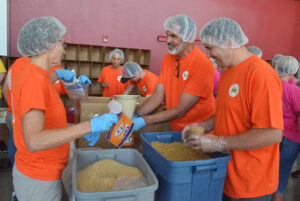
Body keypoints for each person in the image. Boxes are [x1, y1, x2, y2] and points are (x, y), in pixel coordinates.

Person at [11, 17, 118, 201]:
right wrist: (88, 126)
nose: (64, 50)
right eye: (62, 43)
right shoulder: (34, 80)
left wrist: (77, 132)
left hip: (44, 172)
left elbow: (49, 125)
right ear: (47, 43)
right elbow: (34, 141)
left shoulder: (39, 76)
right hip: (38, 177)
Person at [182, 18, 283, 201]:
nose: (208, 54)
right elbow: (226, 112)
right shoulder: (227, 72)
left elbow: (273, 134)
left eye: (210, 48)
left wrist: (218, 143)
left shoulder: (261, 75)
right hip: (226, 174)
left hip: (252, 184)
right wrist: (202, 125)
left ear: (228, 42)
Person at [132, 14, 215, 132]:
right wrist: (136, 115)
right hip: (176, 129)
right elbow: (157, 97)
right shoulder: (168, 59)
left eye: (173, 36)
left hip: (200, 132)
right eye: (167, 35)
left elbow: (181, 109)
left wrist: (144, 121)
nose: (167, 40)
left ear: (189, 37)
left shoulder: (202, 64)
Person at [271, 56, 300, 201]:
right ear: (294, 71)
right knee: (281, 180)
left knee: (268, 175)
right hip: (290, 139)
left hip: (270, 135)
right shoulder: (295, 91)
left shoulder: (269, 86)